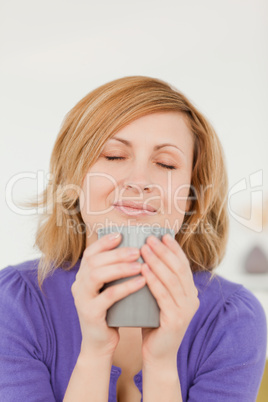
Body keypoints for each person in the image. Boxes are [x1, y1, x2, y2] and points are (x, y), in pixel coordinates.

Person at [0, 76, 266, 402]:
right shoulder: (14, 305)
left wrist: (162, 363)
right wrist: (95, 353)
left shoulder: (232, 320)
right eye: (113, 156)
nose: (139, 181)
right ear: (74, 176)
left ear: (192, 195)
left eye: (166, 163)